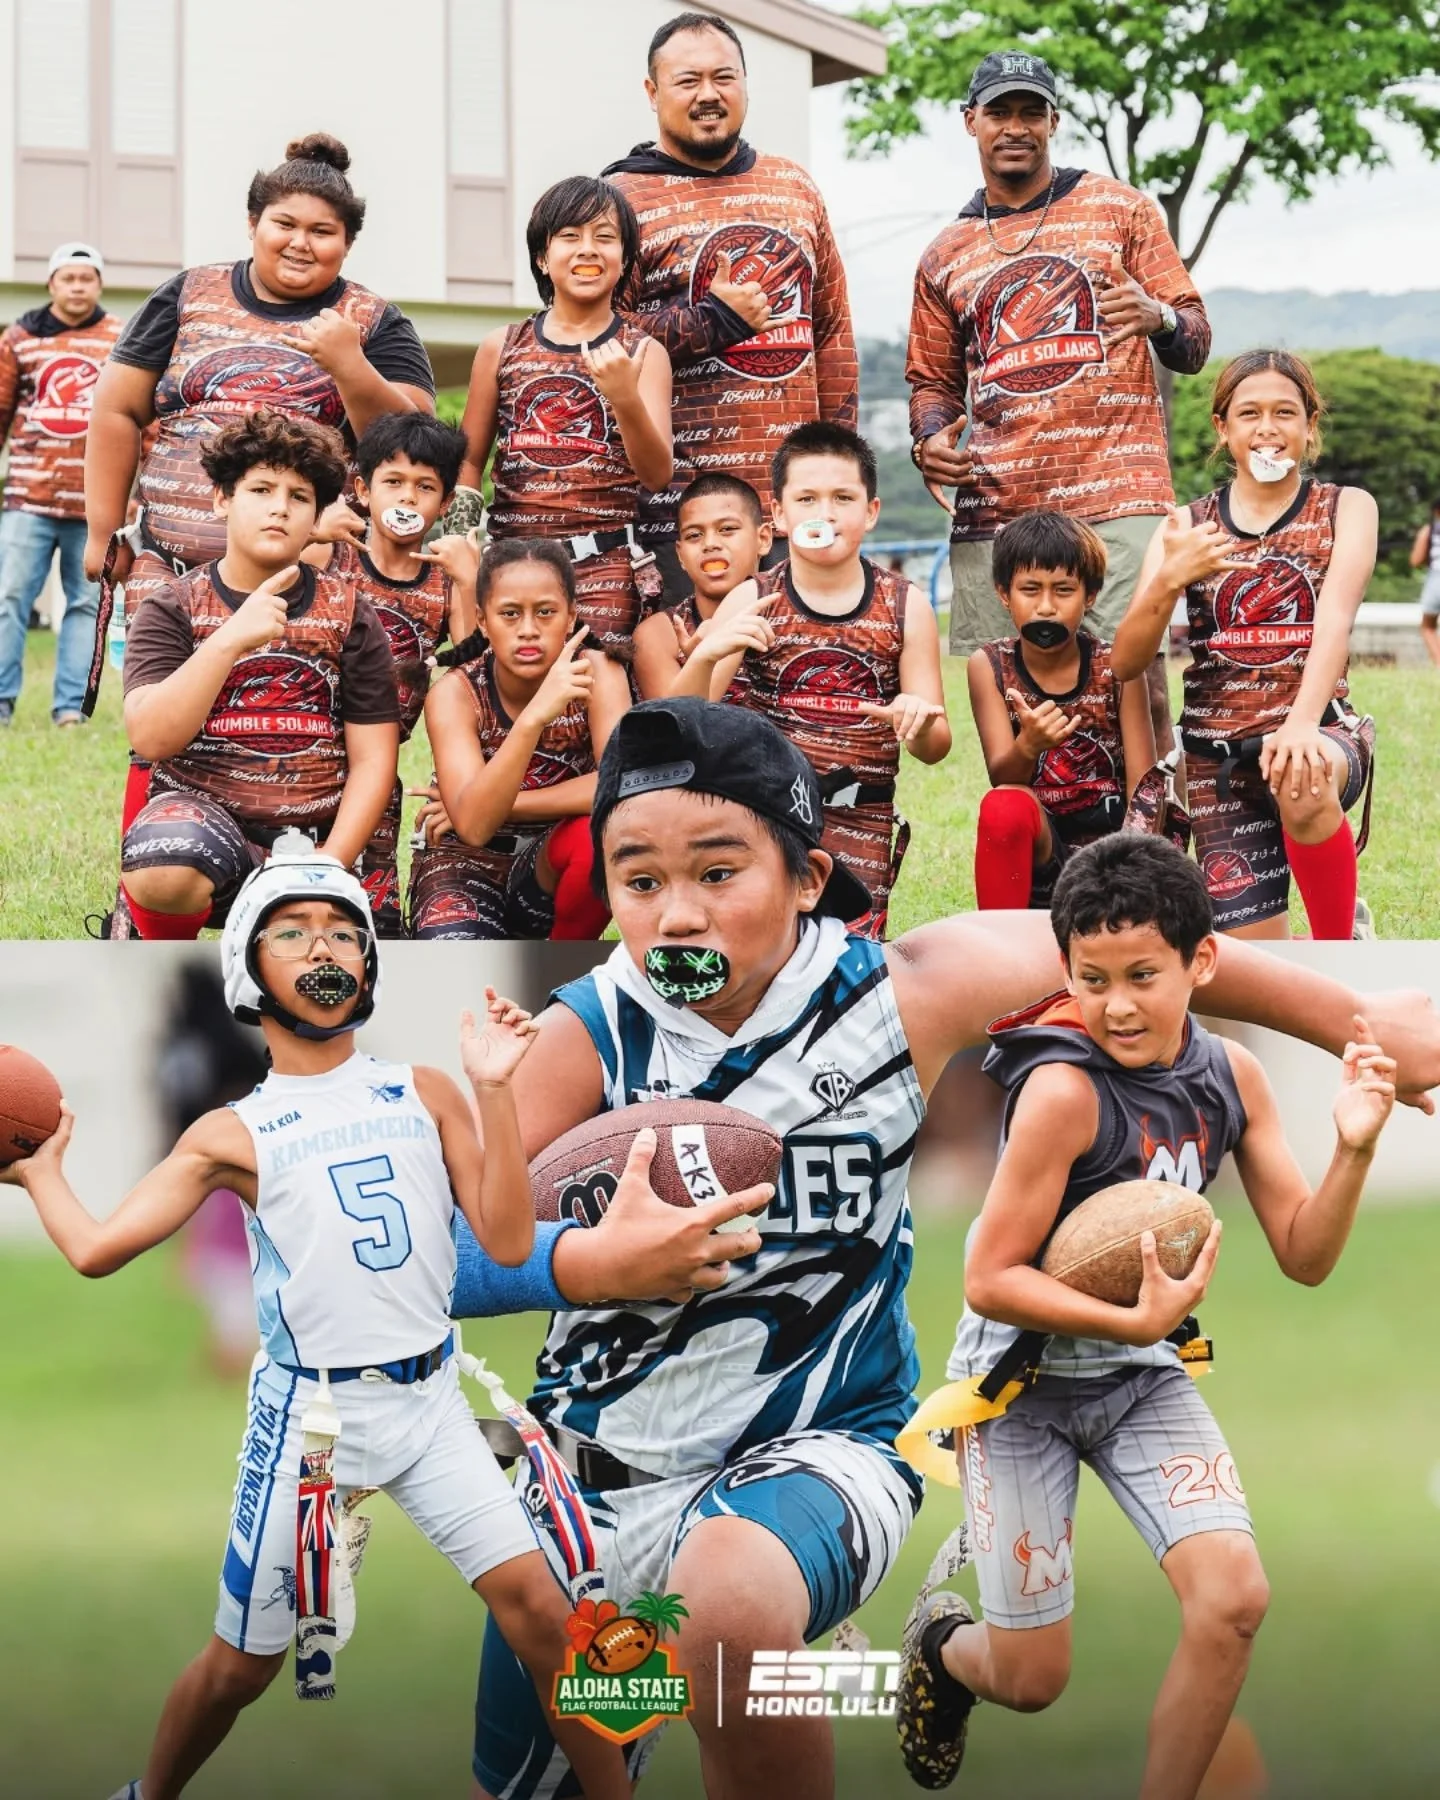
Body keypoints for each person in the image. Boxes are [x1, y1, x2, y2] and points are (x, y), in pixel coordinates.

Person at [454, 695, 1440, 1800]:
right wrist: (592, 1263)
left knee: (728, 1619)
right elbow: (444, 1251)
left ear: (809, 878)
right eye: (639, 883)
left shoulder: (899, 995)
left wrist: (1363, 1027)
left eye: (718, 872)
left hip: (821, 1455)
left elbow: (1137, 945)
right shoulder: (585, 1035)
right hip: (589, 1491)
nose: (676, 915)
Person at [3, 839, 632, 1800]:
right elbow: (95, 1249)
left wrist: (497, 1090)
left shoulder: (427, 1089)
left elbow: (507, 1242)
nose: (324, 947)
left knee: (545, 1619)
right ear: (245, 968)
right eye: (292, 933)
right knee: (239, 1669)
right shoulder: (230, 1132)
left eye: (342, 930)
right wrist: (41, 1172)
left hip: (431, 1401)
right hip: (314, 1428)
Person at [893, 833, 1395, 1799]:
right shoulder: (1063, 1093)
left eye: (1142, 977)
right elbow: (989, 1279)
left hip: (1139, 1380)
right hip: (1019, 1392)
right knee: (1032, 1679)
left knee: (1234, 1600)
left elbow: (1305, 1257)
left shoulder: (1232, 1079)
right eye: (1092, 980)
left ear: (1200, 962)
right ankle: (945, 1651)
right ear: (1065, 969)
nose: (1116, 1005)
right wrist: (1126, 1320)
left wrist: (1354, 1151)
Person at [83, 132, 433, 829]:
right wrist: (102, 532)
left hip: (309, 577)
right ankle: (154, 869)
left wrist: (349, 364)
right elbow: (117, 409)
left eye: (322, 232)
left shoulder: (373, 321)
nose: (300, 243)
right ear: (253, 224)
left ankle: (310, 865)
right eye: (284, 224)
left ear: (347, 243)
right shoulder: (188, 294)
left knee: (289, 717)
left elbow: (414, 445)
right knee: (162, 718)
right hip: (170, 562)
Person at [906, 49, 1208, 747]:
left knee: (1136, 688)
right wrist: (929, 440)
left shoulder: (1122, 210)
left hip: (1118, 492)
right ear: (970, 121)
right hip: (999, 505)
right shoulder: (944, 253)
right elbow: (932, 383)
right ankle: (1039, 827)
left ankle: (1153, 821)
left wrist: (1158, 316)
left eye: (1031, 112)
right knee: (1017, 708)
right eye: (1000, 112)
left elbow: (1193, 342)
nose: (1016, 127)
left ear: (1054, 121)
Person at [1111, 349, 1377, 940]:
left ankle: (1341, 945)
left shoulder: (1347, 508)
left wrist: (1301, 725)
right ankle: (1319, 940)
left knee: (1300, 774)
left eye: (1285, 412)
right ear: (1222, 427)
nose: (1267, 428)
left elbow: (1334, 622)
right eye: (1249, 413)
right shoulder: (1185, 527)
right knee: (1257, 968)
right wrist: (1169, 579)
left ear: (1310, 425)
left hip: (1319, 735)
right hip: (1219, 760)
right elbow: (1127, 661)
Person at [111, 411, 400, 940]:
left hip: (318, 838)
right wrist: (228, 640)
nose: (279, 507)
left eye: (299, 496)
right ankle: (161, 957)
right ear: (222, 499)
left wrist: (328, 866)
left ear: (316, 517)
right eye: (261, 489)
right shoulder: (172, 606)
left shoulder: (350, 612)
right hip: (207, 829)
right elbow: (150, 737)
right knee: (165, 865)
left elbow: (374, 758)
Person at [603, 11, 857, 600]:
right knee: (692, 659)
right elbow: (598, 341)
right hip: (681, 517)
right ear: (652, 92)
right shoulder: (618, 199)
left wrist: (841, 467)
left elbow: (832, 336)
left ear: (745, 83)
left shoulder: (795, 186)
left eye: (724, 77)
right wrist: (709, 323)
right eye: (688, 81)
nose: (709, 94)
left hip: (793, 506)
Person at [676, 422, 951, 937]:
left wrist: (916, 722)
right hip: (763, 816)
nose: (824, 513)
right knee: (761, 952)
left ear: (871, 511)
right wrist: (708, 654)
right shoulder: (751, 598)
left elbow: (935, 747)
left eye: (843, 498)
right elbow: (683, 723)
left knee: (849, 964)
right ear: (780, 514)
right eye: (806, 499)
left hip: (862, 818)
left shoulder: (906, 605)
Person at [456, 176, 672, 649]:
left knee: (595, 683)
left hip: (606, 568)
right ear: (542, 256)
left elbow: (657, 475)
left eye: (605, 237)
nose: (588, 249)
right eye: (570, 236)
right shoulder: (500, 346)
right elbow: (469, 460)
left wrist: (625, 399)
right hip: (511, 564)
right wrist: (461, 541)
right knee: (509, 684)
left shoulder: (644, 352)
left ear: (624, 259)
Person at [304, 410, 475, 936]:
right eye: (393, 482)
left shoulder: (445, 584)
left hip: (377, 770)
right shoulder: (330, 554)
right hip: (309, 754)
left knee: (371, 918)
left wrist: (470, 582)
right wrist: (309, 532)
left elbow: (473, 669)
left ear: (445, 503)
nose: (407, 498)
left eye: (425, 487)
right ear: (363, 489)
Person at [413, 539, 629, 940]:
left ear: (571, 616)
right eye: (510, 614)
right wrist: (534, 717)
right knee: (456, 962)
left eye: (545, 612)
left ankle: (564, 966)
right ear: (483, 620)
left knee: (599, 834)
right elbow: (474, 828)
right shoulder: (455, 693)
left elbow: (621, 785)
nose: (528, 630)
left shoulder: (598, 673)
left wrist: (500, 805)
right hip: (464, 863)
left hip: (553, 862)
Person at [969, 510, 1155, 908]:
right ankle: (1001, 936)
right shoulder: (989, 666)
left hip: (1113, 859)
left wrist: (1135, 880)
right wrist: (1028, 746)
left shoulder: (1118, 666)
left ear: (1090, 595)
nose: (1046, 607)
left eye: (1064, 590)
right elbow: (1003, 778)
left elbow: (1144, 789)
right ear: (1004, 593)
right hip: (1042, 852)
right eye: (1030, 589)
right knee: (1004, 804)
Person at [0, 243, 120, 725]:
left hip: (94, 505)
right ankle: (1, 701)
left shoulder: (119, 337)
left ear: (99, 285)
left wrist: (134, 495)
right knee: (9, 598)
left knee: (86, 604)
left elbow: (141, 419)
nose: (77, 287)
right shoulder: (20, 337)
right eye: (68, 278)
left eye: (86, 278)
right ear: (52, 284)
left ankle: (70, 709)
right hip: (28, 499)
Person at [631, 471, 771, 699]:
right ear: (680, 555)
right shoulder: (662, 633)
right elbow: (673, 719)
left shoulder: (791, 611)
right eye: (694, 535)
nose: (710, 544)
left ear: (763, 539)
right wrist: (701, 664)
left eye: (727, 529)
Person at [1411, 496, 1440, 669]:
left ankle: (1439, 663)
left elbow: (1415, 560)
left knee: (1428, 626)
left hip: (1436, 580)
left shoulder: (1429, 531)